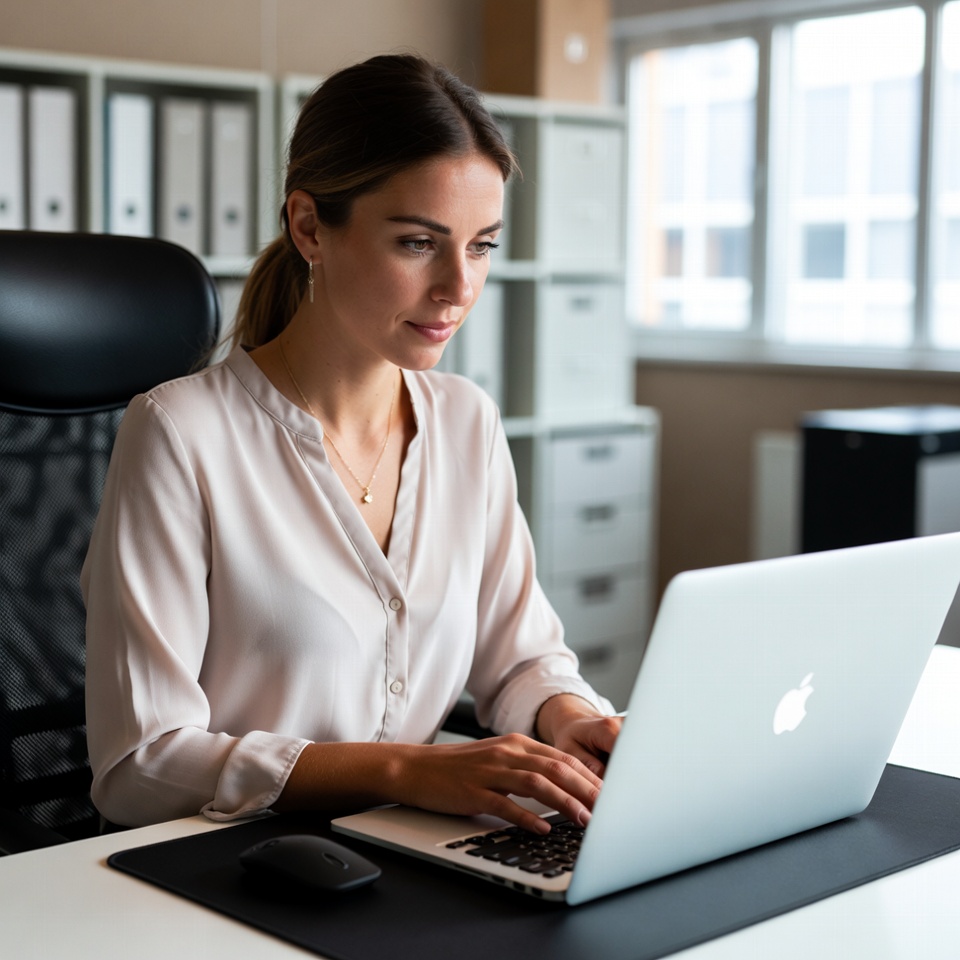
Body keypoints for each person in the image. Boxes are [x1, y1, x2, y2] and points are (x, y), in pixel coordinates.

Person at [81, 53, 622, 834]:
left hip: (408, 852)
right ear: (310, 227)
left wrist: (569, 716)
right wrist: (408, 769)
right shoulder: (179, 433)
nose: (458, 288)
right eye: (417, 243)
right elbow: (140, 767)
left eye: (480, 246)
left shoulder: (466, 422)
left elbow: (521, 658)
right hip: (226, 866)